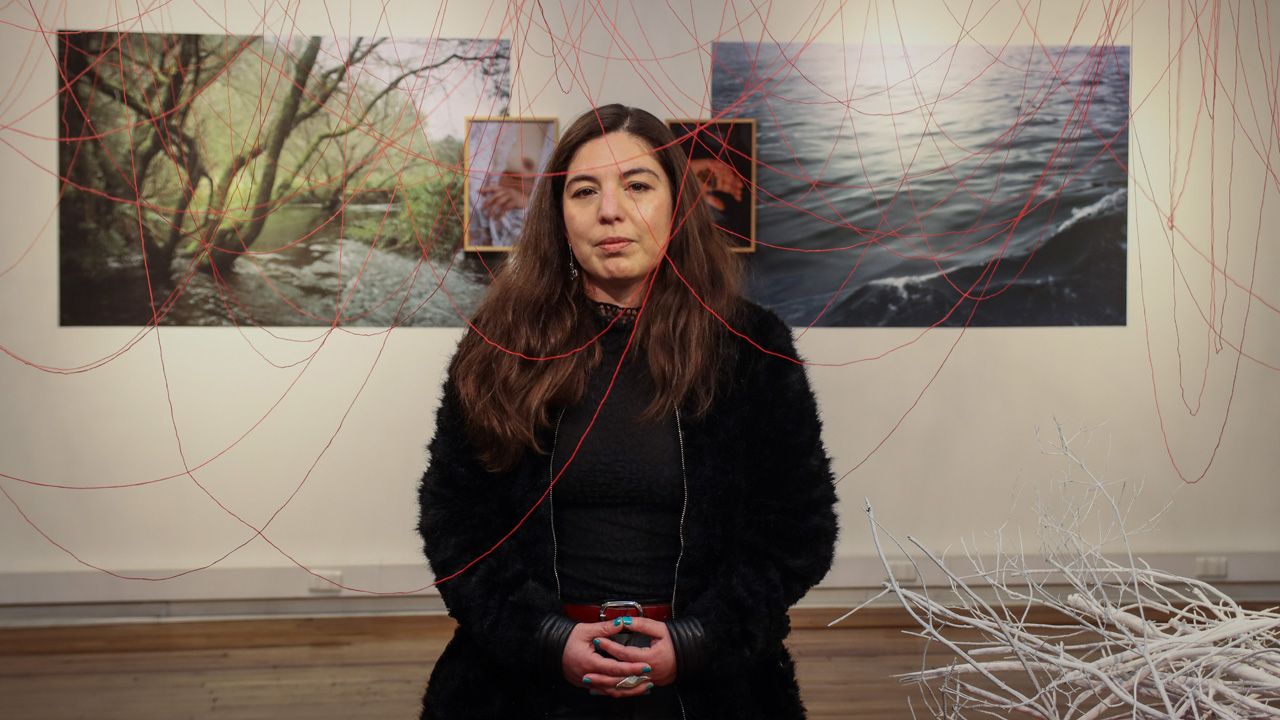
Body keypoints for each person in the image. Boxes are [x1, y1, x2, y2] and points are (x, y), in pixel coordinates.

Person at [417, 104, 838, 720]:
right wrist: (546, 638)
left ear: (676, 204)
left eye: (637, 185)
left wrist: (696, 641)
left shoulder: (749, 346)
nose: (610, 210)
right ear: (558, 215)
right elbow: (455, 524)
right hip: (520, 688)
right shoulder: (500, 346)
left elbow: (799, 531)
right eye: (584, 191)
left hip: (710, 691)